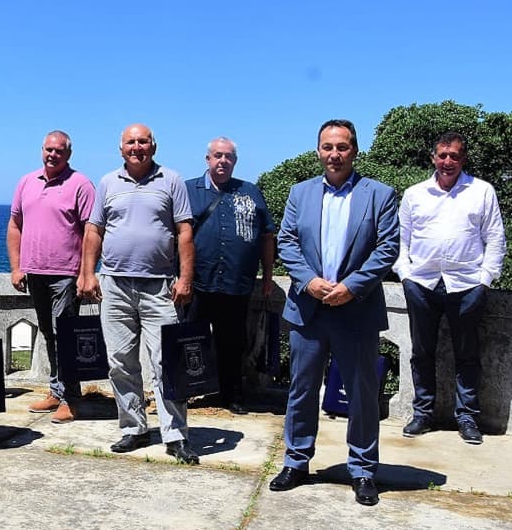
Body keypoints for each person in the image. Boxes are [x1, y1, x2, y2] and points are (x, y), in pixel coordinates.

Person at [269, 119, 399, 506]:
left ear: (354, 150)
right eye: (328, 147)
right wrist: (308, 281)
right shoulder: (301, 192)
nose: (334, 154)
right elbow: (287, 241)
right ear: (318, 151)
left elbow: (387, 248)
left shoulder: (379, 194)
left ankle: (363, 469)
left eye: (342, 147)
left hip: (355, 309)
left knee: (362, 394)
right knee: (301, 390)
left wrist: (352, 286)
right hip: (309, 309)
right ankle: (296, 462)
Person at [78, 124, 200, 464]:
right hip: (114, 285)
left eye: (143, 141)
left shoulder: (171, 180)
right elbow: (94, 230)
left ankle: (175, 434)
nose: (137, 147)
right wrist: (87, 274)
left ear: (153, 146)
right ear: (121, 148)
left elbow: (184, 232)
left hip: (159, 286)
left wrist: (185, 278)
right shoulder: (107, 183)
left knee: (166, 363)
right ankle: (134, 427)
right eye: (130, 142)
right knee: (120, 361)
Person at [395, 132, 505, 445]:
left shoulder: (481, 191)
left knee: (467, 354)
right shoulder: (415, 194)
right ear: (433, 157)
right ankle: (422, 413)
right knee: (421, 353)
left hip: (467, 285)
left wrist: (485, 280)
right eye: (442, 155)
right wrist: (405, 275)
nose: (447, 161)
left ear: (463, 159)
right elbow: (401, 239)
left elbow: (495, 237)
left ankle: (467, 417)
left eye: (454, 156)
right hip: (422, 283)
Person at [9, 130, 95, 424]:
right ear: (41, 150)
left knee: (65, 336)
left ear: (68, 154)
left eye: (59, 150)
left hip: (66, 274)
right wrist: (16, 266)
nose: (52, 154)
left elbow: (91, 232)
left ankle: (71, 399)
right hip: (35, 271)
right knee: (48, 333)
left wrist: (86, 273)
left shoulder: (81, 184)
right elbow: (15, 225)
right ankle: (57, 391)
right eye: (48, 149)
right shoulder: (26, 182)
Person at [184, 137, 276, 414]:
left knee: (233, 343)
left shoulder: (250, 192)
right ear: (208, 159)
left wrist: (268, 276)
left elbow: (267, 236)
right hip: (197, 282)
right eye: (218, 155)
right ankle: (187, 390)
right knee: (190, 340)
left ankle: (232, 394)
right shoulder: (188, 190)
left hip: (237, 282)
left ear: (235, 161)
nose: (223, 161)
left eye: (228, 157)